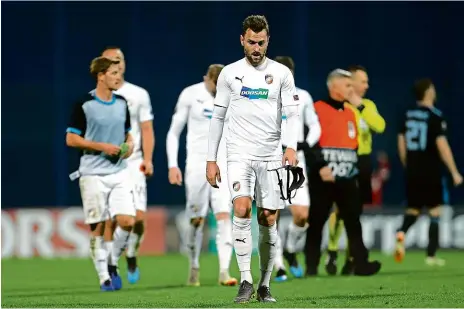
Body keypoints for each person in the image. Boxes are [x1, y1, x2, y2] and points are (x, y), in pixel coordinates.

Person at [206, 15, 300, 303]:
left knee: (268, 217)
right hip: (238, 155)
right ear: (242, 41)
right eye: (251, 42)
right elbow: (218, 116)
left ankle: (265, 284)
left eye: (261, 42)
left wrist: (291, 146)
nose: (256, 48)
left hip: (271, 155)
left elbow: (292, 114)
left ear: (268, 40)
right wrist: (212, 159)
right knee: (242, 208)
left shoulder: (282, 73)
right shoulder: (229, 74)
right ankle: (245, 279)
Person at [66, 57, 135, 291]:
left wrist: (130, 145)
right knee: (97, 226)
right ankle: (104, 276)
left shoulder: (122, 103)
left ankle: (113, 261)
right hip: (92, 172)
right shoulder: (84, 103)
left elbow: (128, 134)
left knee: (127, 221)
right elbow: (71, 138)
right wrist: (103, 146)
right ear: (101, 75)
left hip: (118, 171)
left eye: (119, 73)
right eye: (114, 73)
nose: (119, 77)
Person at [304, 69, 381, 277]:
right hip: (324, 177)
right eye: (347, 85)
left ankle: (361, 264)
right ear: (334, 87)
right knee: (317, 221)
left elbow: (353, 143)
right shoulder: (317, 109)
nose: (351, 89)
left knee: (353, 222)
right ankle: (311, 267)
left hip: (347, 177)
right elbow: (308, 142)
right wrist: (320, 167)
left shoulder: (350, 112)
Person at [166, 64, 237, 287]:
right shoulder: (190, 94)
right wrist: (172, 165)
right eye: (214, 86)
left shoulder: (233, 96)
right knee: (196, 220)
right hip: (196, 165)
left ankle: (225, 271)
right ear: (206, 79)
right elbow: (174, 132)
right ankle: (194, 265)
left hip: (224, 165)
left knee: (224, 215)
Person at [100, 47, 155, 285]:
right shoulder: (96, 97)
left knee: (139, 220)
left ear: (124, 63)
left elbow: (146, 129)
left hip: (134, 164)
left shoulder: (138, 94)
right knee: (115, 220)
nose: (116, 64)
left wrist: (148, 159)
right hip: (108, 165)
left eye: (119, 60)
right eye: (111, 61)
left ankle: (131, 253)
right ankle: (111, 267)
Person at [325, 65, 386, 275]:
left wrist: (359, 105)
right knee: (339, 210)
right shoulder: (340, 106)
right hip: (343, 160)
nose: (366, 85)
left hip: (363, 161)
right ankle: (332, 252)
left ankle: (351, 258)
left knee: (355, 213)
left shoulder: (367, 105)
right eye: (363, 81)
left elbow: (380, 126)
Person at [395, 78, 462, 266]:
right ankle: (431, 256)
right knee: (435, 211)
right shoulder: (435, 116)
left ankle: (401, 232)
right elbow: (442, 145)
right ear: (428, 92)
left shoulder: (406, 114)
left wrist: (407, 164)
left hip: (413, 168)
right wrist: (454, 171)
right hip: (431, 169)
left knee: (413, 209)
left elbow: (401, 142)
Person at [272, 56, 321, 282]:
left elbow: (314, 126)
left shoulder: (303, 97)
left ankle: (290, 250)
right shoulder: (264, 97)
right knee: (271, 215)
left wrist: (305, 144)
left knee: (301, 215)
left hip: (295, 160)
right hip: (270, 159)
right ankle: (279, 266)